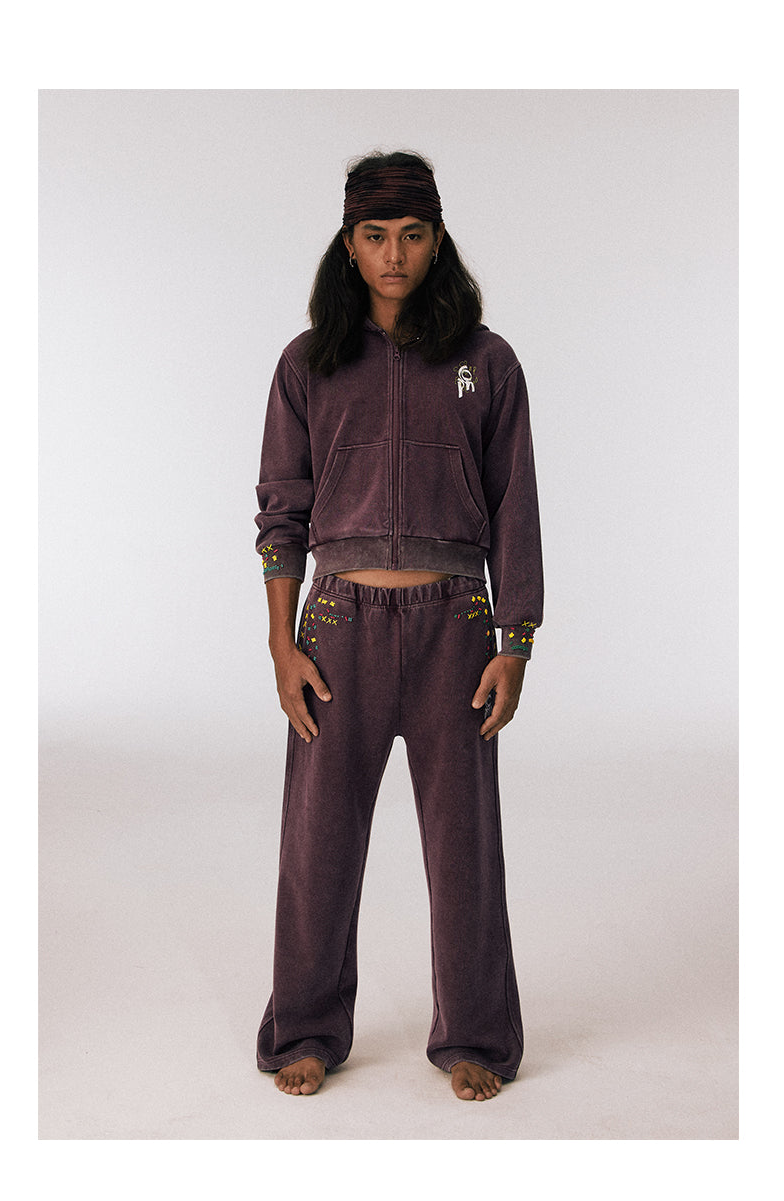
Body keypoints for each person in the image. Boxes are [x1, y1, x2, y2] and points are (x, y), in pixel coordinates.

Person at [254, 150, 543, 1102]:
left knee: (465, 849)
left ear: (437, 239)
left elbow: (515, 506)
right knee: (318, 845)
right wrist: (282, 639)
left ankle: (477, 1035)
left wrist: (515, 640)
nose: (393, 254)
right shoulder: (308, 363)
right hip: (337, 626)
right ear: (349, 243)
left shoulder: (486, 362)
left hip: (456, 624)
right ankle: (305, 1027)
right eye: (375, 236)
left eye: (412, 235)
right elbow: (281, 509)